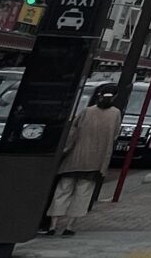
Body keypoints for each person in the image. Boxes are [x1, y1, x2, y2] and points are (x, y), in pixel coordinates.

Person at [42, 86, 122, 237]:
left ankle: (52, 226)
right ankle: (69, 226)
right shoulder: (115, 114)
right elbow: (114, 135)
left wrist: (65, 150)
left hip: (74, 158)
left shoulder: (87, 111)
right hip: (95, 161)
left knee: (62, 191)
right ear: (114, 97)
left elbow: (72, 132)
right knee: (83, 194)